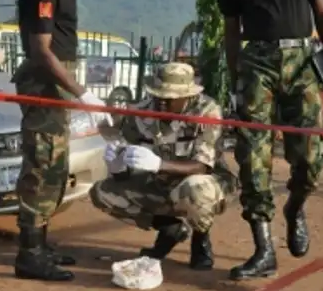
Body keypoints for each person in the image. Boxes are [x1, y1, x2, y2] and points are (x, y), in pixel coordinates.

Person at [217, 0, 323, 280]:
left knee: (310, 157)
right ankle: (263, 249)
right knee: (253, 156)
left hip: (302, 61)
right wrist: (235, 78)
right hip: (256, 62)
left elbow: (322, 12)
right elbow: (230, 30)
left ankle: (295, 207)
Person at [12, 0, 112, 282]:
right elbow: (41, 50)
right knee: (40, 166)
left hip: (56, 81)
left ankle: (41, 244)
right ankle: (29, 255)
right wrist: (83, 92)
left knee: (55, 166)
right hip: (43, 84)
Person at [89, 62, 239, 269]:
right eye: (157, 95)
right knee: (102, 192)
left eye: (169, 99)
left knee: (197, 189)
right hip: (159, 183)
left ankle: (201, 240)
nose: (161, 103)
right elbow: (127, 161)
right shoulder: (141, 113)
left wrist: (159, 164)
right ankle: (170, 228)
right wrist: (117, 168)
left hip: (206, 183)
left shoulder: (206, 111)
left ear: (187, 96)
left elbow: (202, 166)